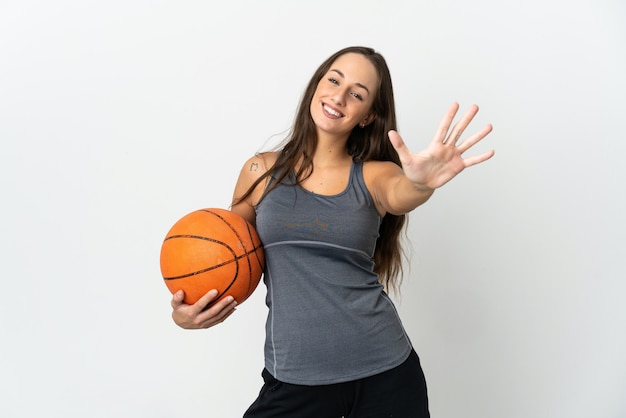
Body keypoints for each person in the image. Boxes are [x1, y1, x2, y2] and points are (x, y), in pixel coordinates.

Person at [170, 46, 494, 417]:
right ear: (316, 85)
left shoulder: (374, 175)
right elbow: (228, 256)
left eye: (357, 93)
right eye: (334, 80)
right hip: (294, 379)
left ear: (368, 114)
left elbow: (402, 193)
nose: (339, 96)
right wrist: (188, 310)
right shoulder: (260, 171)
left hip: (386, 376)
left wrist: (422, 183)